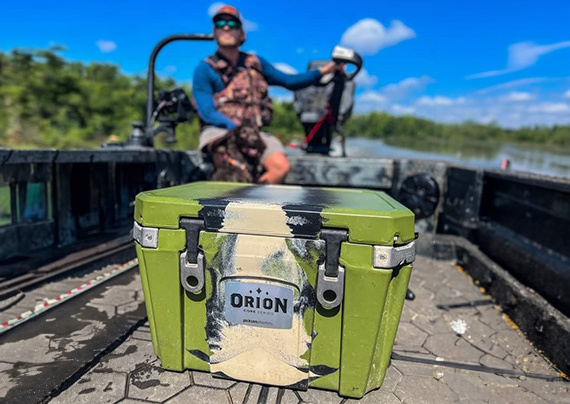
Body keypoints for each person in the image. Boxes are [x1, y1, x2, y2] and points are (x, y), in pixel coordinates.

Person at [193, 5, 342, 184]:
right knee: (232, 167)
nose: (226, 27)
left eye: (232, 23)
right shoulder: (205, 69)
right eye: (220, 23)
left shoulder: (255, 64)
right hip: (219, 130)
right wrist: (236, 131)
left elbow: (290, 81)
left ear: (242, 34)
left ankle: (252, 202)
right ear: (214, 32)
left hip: (254, 132)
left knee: (280, 167)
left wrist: (328, 69)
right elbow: (207, 112)